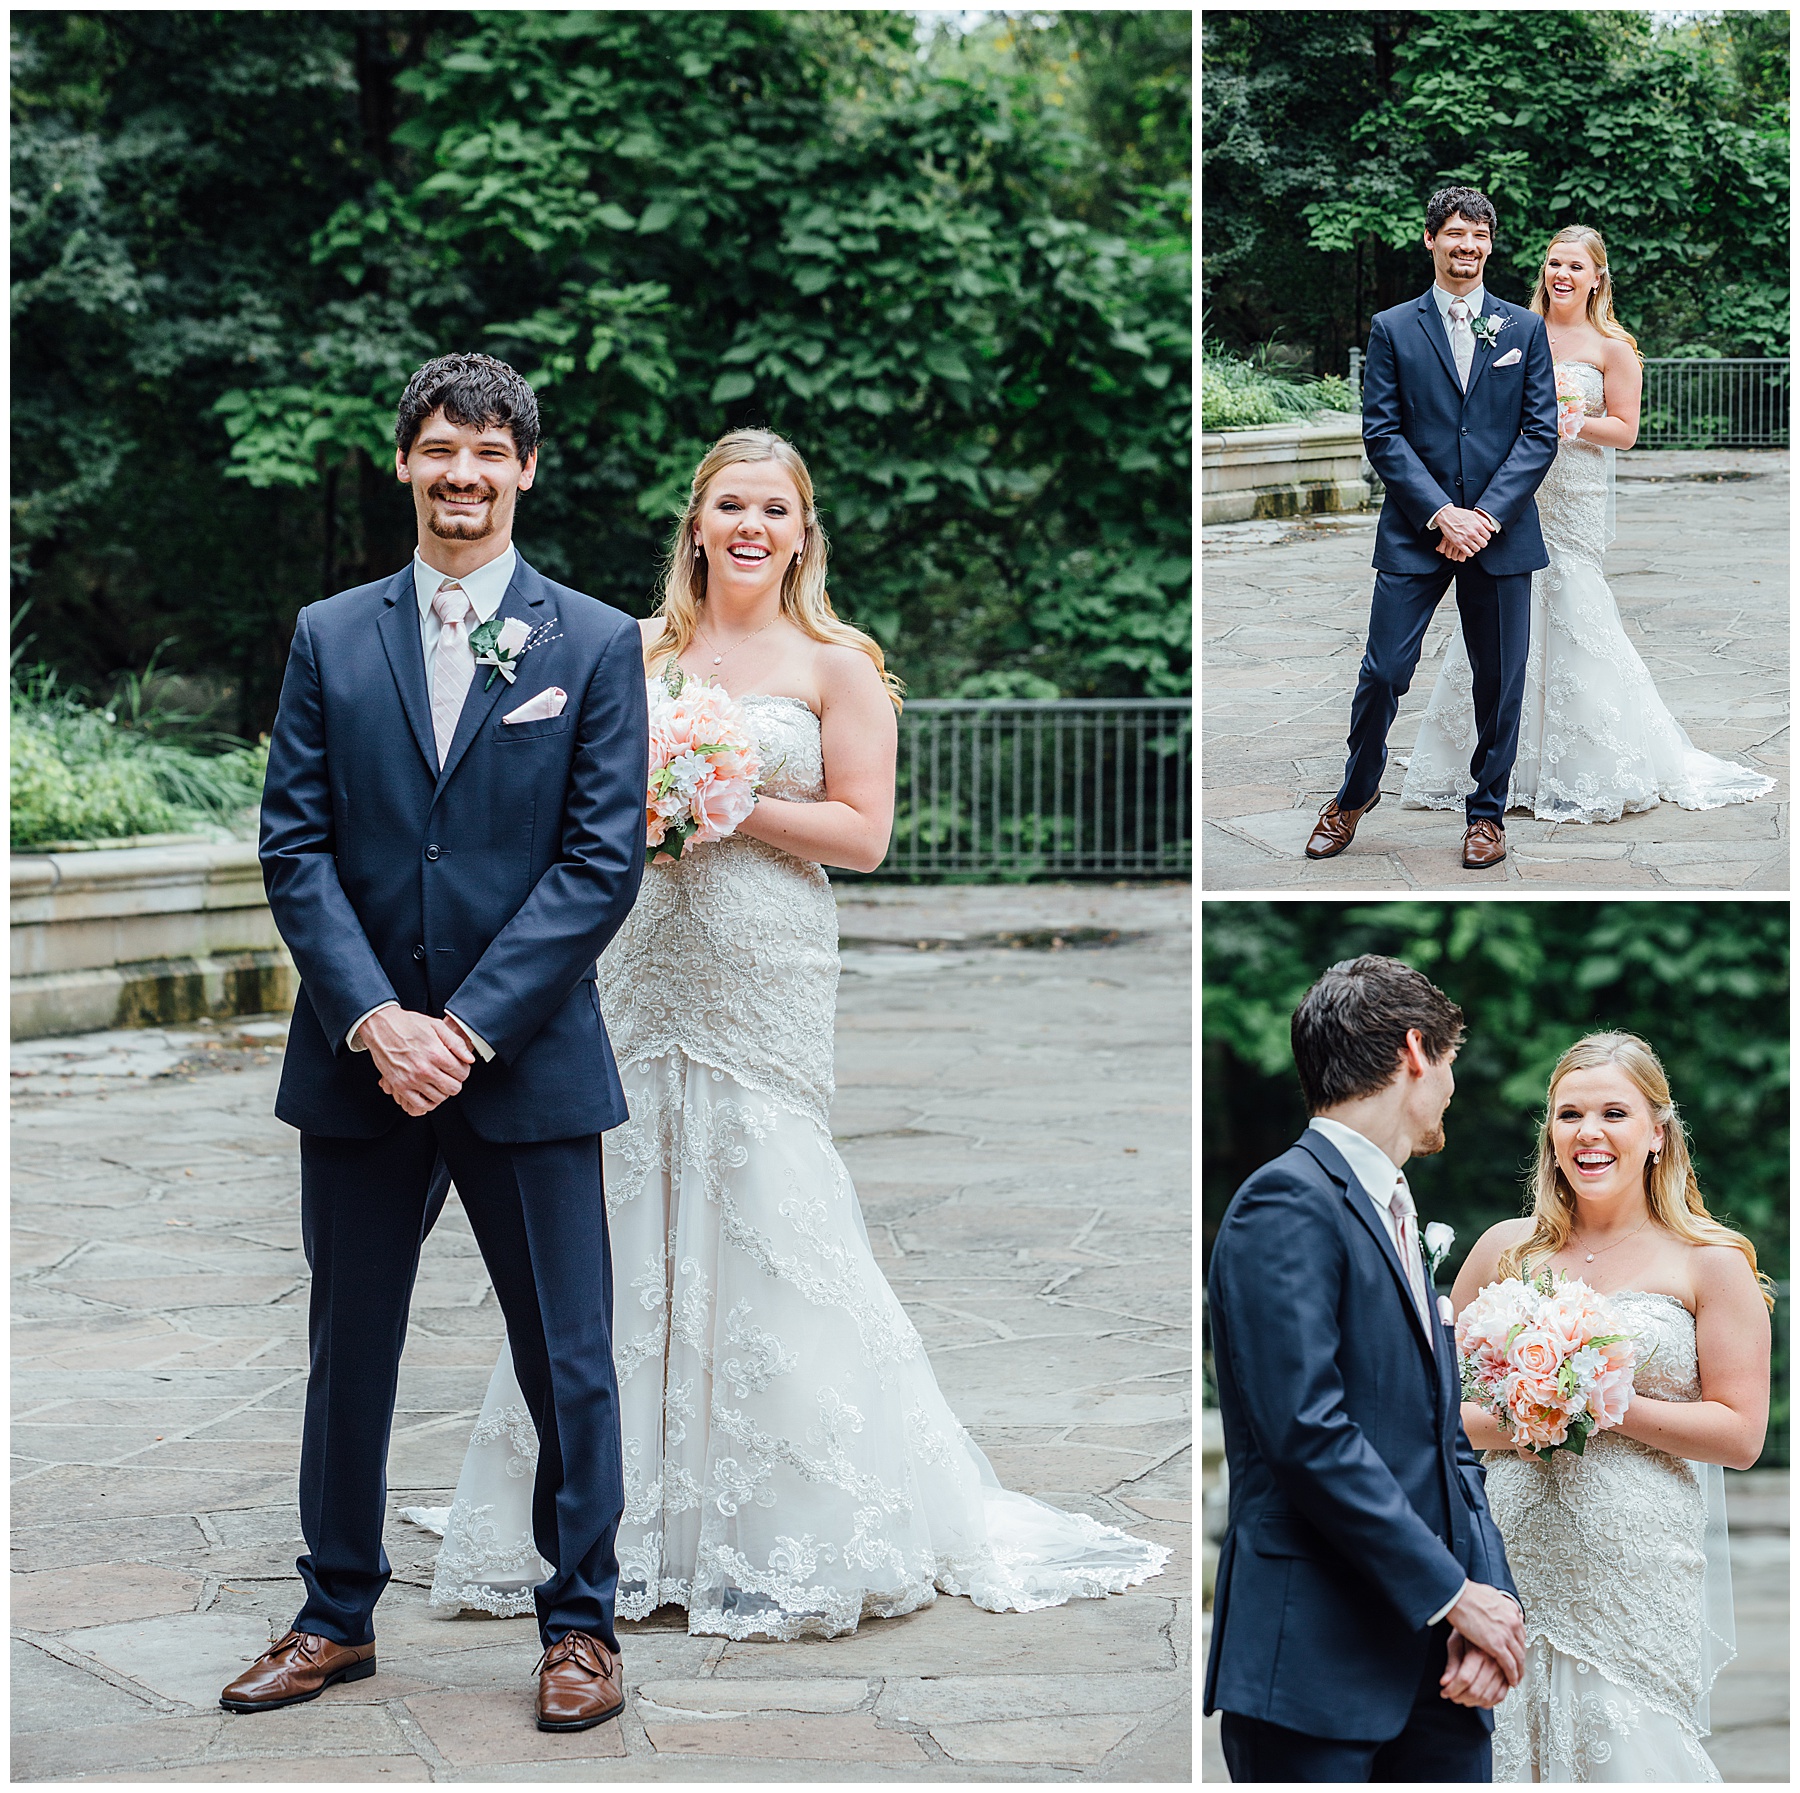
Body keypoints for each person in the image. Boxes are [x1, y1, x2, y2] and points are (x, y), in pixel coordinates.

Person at [402, 427, 1169, 1638]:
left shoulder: (837, 664)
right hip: (636, 950)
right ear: (695, 524)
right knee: (610, 1210)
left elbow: (864, 834)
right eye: (729, 505)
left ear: (802, 531)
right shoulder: (627, 648)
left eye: (774, 507)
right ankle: (613, 1511)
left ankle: (775, 1518)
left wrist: (729, 798)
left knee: (769, 1203)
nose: (751, 526)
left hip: (764, 963)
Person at [224, 353, 648, 1734]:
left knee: (567, 1354)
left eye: (488, 450)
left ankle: (579, 1623)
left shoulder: (589, 641)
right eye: (439, 448)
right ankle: (334, 1612)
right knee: (352, 1347)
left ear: (528, 469)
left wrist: (462, 1028)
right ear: (402, 463)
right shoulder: (328, 635)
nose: (463, 472)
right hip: (358, 1058)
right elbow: (294, 845)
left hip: (523, 1059)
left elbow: (596, 866)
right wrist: (375, 1018)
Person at [1204, 954, 1525, 1782]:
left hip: (1443, 1678)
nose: (1453, 1085)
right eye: (1451, 1061)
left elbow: (1447, 1442)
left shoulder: (1395, 1208)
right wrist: (1453, 1594)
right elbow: (1307, 1434)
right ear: (1416, 1051)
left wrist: (1487, 1607)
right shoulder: (1286, 1202)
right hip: (1318, 1666)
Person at [1451, 1032, 1771, 1781]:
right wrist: (1525, 1418)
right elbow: (1428, 1406)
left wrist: (1596, 1401)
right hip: (1508, 1556)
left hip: (1635, 1572)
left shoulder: (1710, 1261)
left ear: (1657, 1133)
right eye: (1569, 1114)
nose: (1588, 1133)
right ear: (1551, 1134)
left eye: (1614, 1113)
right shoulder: (1507, 1250)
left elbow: (1740, 1432)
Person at [1401, 225, 1776, 822]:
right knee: (1497, 619)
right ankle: (1491, 759)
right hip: (1507, 492)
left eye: (1576, 266)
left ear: (1597, 277)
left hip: (1571, 492)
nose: (1563, 276)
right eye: (1555, 264)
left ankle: (1581, 761)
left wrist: (1568, 417)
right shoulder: (1507, 327)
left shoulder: (1613, 348)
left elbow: (1625, 431)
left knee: (1574, 605)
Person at [1307, 185, 1559, 872]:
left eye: (1478, 236)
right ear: (1430, 240)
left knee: (1500, 680)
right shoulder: (1392, 327)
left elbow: (1538, 435)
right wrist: (1440, 512)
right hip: (1416, 532)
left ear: (1490, 245)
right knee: (1384, 671)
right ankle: (1355, 794)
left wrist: (1482, 516)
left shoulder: (1522, 330)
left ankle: (1488, 811)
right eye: (1454, 234)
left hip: (1499, 534)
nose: (1466, 247)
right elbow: (1382, 434)